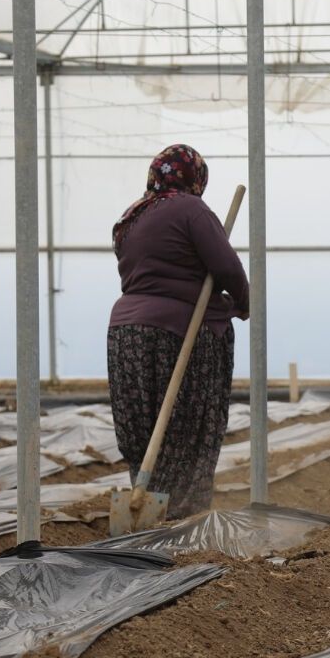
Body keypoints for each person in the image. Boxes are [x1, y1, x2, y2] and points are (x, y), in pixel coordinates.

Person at [107, 144, 249, 519]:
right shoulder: (191, 209)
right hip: (180, 333)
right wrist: (243, 302)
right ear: (195, 178)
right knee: (188, 432)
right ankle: (180, 521)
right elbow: (227, 268)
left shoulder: (130, 217)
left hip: (126, 334)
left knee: (143, 429)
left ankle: (145, 510)